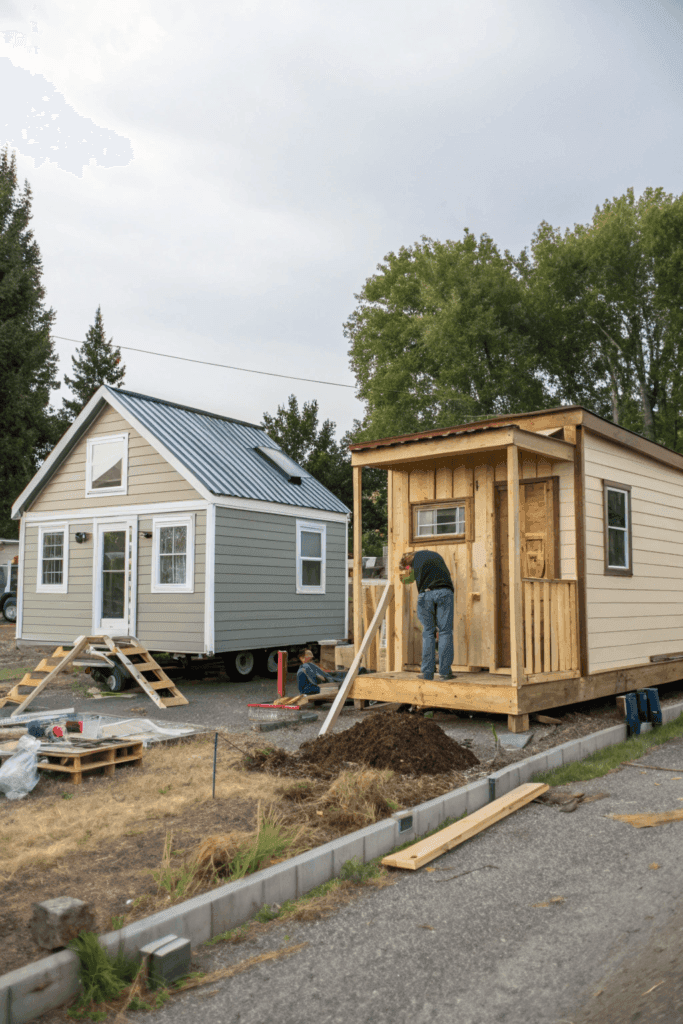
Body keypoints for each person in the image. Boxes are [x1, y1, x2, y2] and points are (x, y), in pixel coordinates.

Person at [399, 550, 454, 681]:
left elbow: (408, 580)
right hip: (444, 592)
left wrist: (402, 578)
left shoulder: (414, 563)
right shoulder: (434, 555)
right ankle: (445, 673)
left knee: (428, 632)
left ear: (407, 562)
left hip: (426, 595)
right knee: (445, 632)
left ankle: (427, 673)